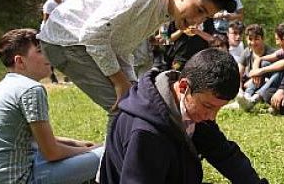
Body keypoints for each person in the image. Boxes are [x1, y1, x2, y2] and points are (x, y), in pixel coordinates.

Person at [37, 0, 237, 128]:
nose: (198, 21)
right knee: (126, 110)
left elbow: (120, 47)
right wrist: (120, 82)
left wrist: (131, 84)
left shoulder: (162, 11)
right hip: (65, 40)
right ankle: (114, 172)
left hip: (80, 41)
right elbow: (92, 35)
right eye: (199, 9)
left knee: (133, 102)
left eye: (206, 17)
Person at [99, 48, 268, 184]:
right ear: (183, 86)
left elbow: (224, 154)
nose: (211, 117)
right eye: (208, 106)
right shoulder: (146, 132)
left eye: (218, 109)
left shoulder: (191, 107)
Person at [0, 29, 102, 184]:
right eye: (39, 51)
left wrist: (76, 143)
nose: (47, 55)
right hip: (16, 180)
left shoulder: (7, 85)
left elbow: (32, 139)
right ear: (20, 61)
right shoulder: (30, 89)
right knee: (107, 155)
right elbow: (52, 152)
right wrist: (88, 151)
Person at [236, 22, 284, 111]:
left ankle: (254, 99)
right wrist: (257, 69)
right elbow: (261, 59)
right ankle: (247, 96)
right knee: (264, 63)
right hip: (280, 84)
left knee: (281, 71)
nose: (276, 43)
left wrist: (262, 71)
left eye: (277, 39)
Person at [41, 0, 66, 83]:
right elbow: (46, 20)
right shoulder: (49, 4)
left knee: (64, 52)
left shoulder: (65, 2)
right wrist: (47, 34)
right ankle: (52, 76)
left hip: (61, 30)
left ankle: (67, 75)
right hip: (49, 31)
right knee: (52, 53)